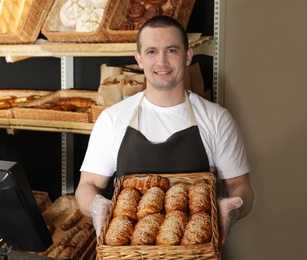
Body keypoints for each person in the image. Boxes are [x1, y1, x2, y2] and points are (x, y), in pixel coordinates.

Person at [75, 15, 254, 246]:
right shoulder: (113, 119)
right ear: (138, 59)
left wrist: (231, 211)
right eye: (151, 51)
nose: (162, 62)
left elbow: (242, 187)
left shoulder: (217, 119)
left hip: (194, 252)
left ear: (188, 56)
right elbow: (87, 186)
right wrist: (97, 207)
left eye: (171, 50)